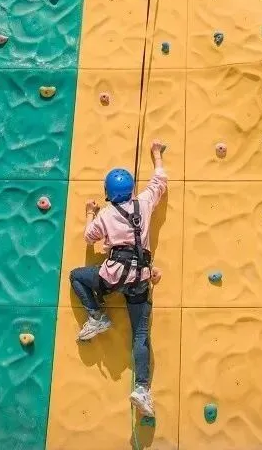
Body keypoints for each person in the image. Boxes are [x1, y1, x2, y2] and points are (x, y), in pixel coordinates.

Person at [70, 139, 167, 420]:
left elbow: (89, 236)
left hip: (112, 276)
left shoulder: (105, 214)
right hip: (140, 279)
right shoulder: (144, 203)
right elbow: (159, 181)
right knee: (140, 335)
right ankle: (141, 389)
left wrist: (90, 212)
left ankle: (96, 316)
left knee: (77, 276)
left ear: (108, 193)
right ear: (131, 190)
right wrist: (156, 154)